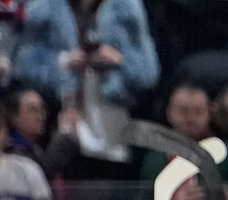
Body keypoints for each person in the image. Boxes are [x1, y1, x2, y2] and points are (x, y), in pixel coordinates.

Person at [14, 0, 158, 169]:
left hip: (112, 121)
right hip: (59, 119)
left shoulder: (126, 9)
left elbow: (148, 71)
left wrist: (119, 60)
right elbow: (24, 64)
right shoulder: (46, 9)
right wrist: (64, 61)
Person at [135, 81, 228, 195]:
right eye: (183, 111)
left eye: (197, 112)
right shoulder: (154, 159)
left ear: (210, 113)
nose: (190, 118)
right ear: (170, 112)